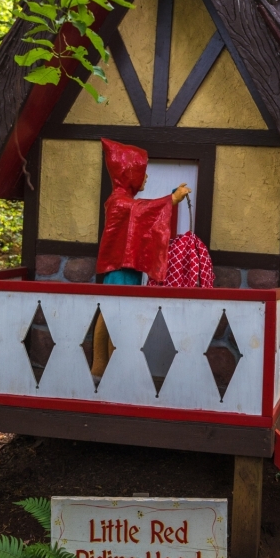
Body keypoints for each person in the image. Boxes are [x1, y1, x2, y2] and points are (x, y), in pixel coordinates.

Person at [90, 139, 190, 379]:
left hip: (121, 269)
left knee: (110, 315)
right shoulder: (121, 202)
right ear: (129, 174)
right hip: (121, 270)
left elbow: (143, 211)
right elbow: (143, 211)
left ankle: (101, 367)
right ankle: (113, 370)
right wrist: (172, 199)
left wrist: (169, 198)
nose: (145, 178)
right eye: (142, 173)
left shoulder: (122, 201)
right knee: (118, 319)